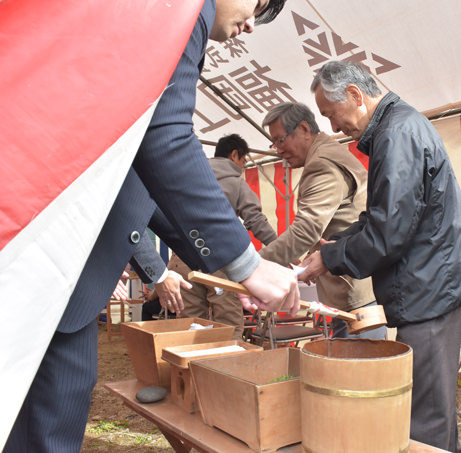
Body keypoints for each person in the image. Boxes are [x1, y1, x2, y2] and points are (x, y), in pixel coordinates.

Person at [4, 1, 296, 451]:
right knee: (48, 427)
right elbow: (166, 138)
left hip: (41, 253)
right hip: (39, 254)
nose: (252, 23)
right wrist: (248, 265)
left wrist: (231, 266)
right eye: (257, 3)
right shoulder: (179, 11)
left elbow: (141, 176)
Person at [300, 61, 461, 452]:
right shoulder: (396, 128)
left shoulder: (396, 134)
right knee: (435, 408)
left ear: (354, 95)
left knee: (425, 419)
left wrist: (330, 260)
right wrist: (332, 248)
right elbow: (378, 218)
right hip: (429, 282)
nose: (333, 128)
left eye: (331, 115)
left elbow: (387, 232)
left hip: (430, 288)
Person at [260, 102, 386, 339]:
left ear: (304, 129)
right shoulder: (327, 153)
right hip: (355, 285)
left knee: (358, 369)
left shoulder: (322, 164)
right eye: (273, 143)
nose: (277, 149)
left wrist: (255, 266)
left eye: (280, 140)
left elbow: (305, 231)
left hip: (355, 294)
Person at [168, 133, 278, 338]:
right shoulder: (236, 184)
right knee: (228, 323)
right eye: (244, 161)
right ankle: (225, 366)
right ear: (235, 154)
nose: (243, 167)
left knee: (189, 322)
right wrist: (282, 248)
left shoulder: (189, 177)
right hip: (220, 260)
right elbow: (255, 221)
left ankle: (190, 368)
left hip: (182, 258)